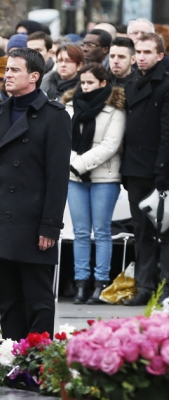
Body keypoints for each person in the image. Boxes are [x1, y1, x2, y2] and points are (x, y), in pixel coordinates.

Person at [0, 48, 71, 341]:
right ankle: (11, 355)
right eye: (6, 70)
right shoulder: (0, 112)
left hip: (32, 222)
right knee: (8, 299)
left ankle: (38, 360)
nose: (7, 75)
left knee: (38, 299)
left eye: (14, 70)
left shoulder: (54, 116)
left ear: (34, 76)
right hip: (1, 220)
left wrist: (50, 226)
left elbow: (57, 178)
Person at [61, 63, 125, 304]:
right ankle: (81, 283)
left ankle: (100, 283)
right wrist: (73, 163)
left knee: (101, 231)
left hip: (104, 177)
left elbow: (111, 145)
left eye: (90, 82)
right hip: (74, 177)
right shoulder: (69, 107)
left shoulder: (115, 109)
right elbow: (62, 139)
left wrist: (79, 163)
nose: (85, 86)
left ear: (103, 83)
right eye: (82, 82)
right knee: (79, 232)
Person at [121, 33, 169, 305]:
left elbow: (167, 132)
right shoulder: (129, 83)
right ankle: (144, 287)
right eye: (138, 51)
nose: (141, 56)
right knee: (142, 232)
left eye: (147, 52)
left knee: (165, 231)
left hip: (159, 169)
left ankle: (165, 288)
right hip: (135, 169)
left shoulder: (165, 85)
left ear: (159, 55)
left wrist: (162, 170)